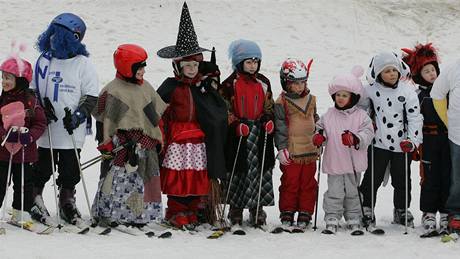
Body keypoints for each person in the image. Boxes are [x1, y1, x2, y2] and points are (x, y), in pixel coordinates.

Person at [157, 2, 227, 229]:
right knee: (179, 175)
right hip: (178, 139)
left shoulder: (203, 87)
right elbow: (156, 110)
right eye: (186, 64)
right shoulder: (171, 86)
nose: (191, 69)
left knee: (197, 175)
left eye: (195, 64)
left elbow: (217, 111)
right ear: (178, 66)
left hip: (198, 141)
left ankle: (196, 207)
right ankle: (177, 209)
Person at [30, 13, 99, 225]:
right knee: (42, 165)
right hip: (47, 128)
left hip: (70, 129)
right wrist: (40, 109)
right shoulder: (43, 60)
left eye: (57, 36)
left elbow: (91, 95)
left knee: (70, 167)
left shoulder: (83, 64)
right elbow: (33, 90)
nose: (52, 39)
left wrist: (79, 115)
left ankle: (67, 199)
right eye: (51, 34)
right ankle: (34, 196)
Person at [90, 44, 166, 229]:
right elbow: (103, 121)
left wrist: (158, 137)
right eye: (139, 67)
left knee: (143, 180)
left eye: (143, 67)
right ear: (126, 67)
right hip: (121, 145)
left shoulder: (145, 88)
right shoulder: (114, 90)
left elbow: (154, 119)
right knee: (117, 180)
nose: (143, 71)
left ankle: (141, 215)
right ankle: (111, 213)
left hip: (144, 144)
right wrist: (104, 142)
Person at [359, 52, 423, 228]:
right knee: (373, 177)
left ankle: (401, 208)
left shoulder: (407, 92)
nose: (392, 74)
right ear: (378, 73)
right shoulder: (369, 91)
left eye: (394, 70)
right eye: (386, 71)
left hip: (402, 145)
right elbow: (359, 110)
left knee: (402, 179)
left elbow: (415, 118)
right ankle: (366, 207)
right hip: (378, 143)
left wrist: (412, 141)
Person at [219, 39, 275, 226]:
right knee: (239, 171)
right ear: (239, 62)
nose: (253, 66)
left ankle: (257, 208)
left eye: (255, 62)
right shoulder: (229, 84)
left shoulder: (264, 82)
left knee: (259, 170)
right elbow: (224, 109)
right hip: (239, 133)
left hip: (258, 132)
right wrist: (234, 124)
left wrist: (268, 119)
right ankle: (236, 208)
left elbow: (269, 106)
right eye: (248, 62)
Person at [313, 66, 374, 233]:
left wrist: (356, 138)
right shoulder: (329, 114)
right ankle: (332, 216)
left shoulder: (361, 116)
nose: (340, 98)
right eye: (338, 95)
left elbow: (368, 132)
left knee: (353, 191)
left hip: (354, 161)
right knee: (335, 192)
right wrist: (320, 136)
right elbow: (321, 128)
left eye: (344, 95)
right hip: (335, 162)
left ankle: (354, 216)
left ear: (353, 97)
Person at [402, 43, 450, 235]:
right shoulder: (418, 96)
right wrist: (414, 142)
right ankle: (429, 212)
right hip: (428, 141)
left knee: (448, 175)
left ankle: (446, 212)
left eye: (433, 70)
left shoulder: (447, 92)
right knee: (429, 177)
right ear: (418, 75)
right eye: (426, 71)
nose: (431, 74)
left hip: (447, 139)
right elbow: (412, 120)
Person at [0, 51, 46, 226]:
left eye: (8, 78)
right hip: (3, 153)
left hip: (25, 154)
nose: (4, 82)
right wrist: (4, 134)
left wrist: (30, 135)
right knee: (0, 183)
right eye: (3, 78)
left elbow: (40, 123)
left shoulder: (31, 102)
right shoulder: (1, 101)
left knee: (24, 185)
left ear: (20, 81)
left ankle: (20, 212)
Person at [273, 58, 318, 229]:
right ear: (286, 83)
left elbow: (315, 119)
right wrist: (282, 148)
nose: (300, 87)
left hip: (309, 150)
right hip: (292, 152)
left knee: (308, 183)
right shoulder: (281, 102)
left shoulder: (311, 99)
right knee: (290, 182)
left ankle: (306, 211)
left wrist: (320, 132)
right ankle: (287, 210)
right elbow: (280, 127)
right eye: (295, 83)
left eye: (302, 82)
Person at [430, 58, 460, 234]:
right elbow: (437, 94)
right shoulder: (452, 69)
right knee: (458, 178)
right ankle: (456, 212)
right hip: (458, 137)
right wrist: (448, 122)